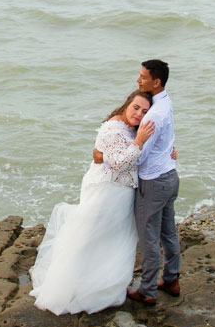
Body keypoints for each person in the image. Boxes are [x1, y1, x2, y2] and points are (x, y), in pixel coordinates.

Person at [29, 91, 155, 315]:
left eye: (144, 111)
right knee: (89, 236)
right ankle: (72, 286)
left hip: (121, 193)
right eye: (136, 107)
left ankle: (104, 285)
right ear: (127, 104)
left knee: (110, 240)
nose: (139, 114)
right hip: (107, 192)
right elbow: (118, 163)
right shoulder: (113, 128)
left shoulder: (130, 128)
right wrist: (139, 141)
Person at [126, 59, 180, 305]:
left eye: (143, 77)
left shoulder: (153, 115)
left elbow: (142, 155)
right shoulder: (165, 103)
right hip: (170, 176)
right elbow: (168, 136)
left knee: (148, 237)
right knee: (168, 232)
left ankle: (147, 290)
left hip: (154, 182)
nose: (138, 80)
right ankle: (171, 279)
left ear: (156, 82)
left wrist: (119, 155)